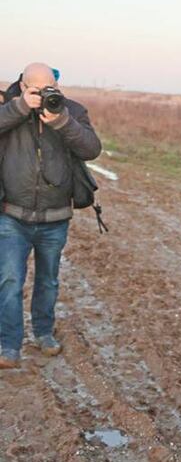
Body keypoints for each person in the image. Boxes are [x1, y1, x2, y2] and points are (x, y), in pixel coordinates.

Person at [0, 63, 102, 369]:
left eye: (50, 89)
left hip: (55, 217)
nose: (45, 95)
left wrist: (62, 122)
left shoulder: (70, 110)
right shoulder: (10, 108)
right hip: (12, 215)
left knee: (48, 281)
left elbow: (91, 149)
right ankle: (9, 345)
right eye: (37, 90)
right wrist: (19, 108)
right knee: (9, 280)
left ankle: (44, 333)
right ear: (22, 87)